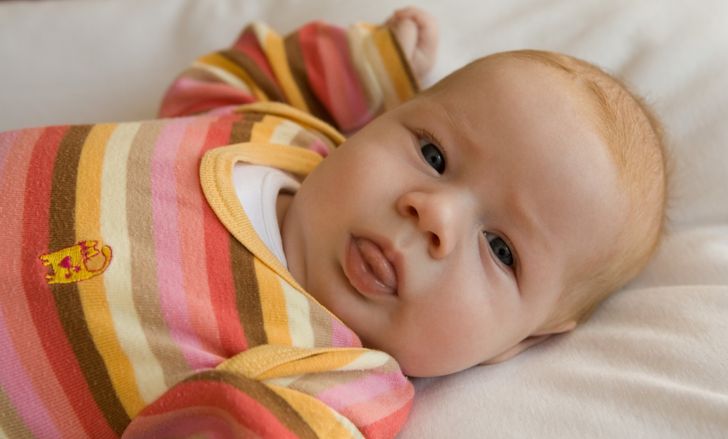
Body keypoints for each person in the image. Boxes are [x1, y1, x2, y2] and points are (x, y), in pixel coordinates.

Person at [0, 6, 666, 438]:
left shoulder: (337, 376)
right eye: (432, 153)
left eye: (500, 248)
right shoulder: (280, 133)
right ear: (377, 122)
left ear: (515, 342)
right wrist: (359, 66)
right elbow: (209, 88)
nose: (432, 212)